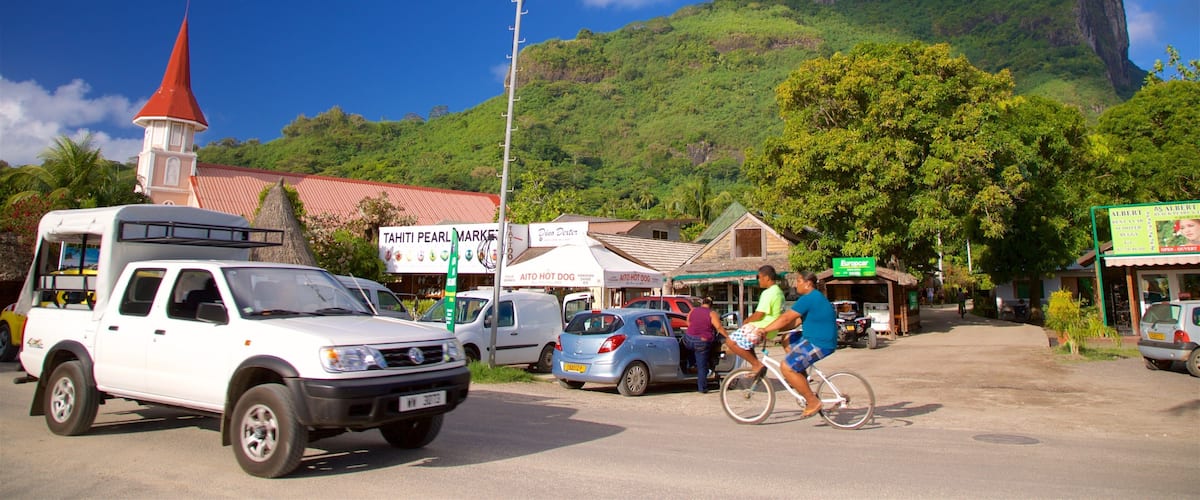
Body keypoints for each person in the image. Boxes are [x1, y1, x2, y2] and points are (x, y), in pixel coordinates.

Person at [749, 271, 837, 418]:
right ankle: (800, 374)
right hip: (814, 336)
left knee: (786, 367)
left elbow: (786, 318)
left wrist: (765, 329)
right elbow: (794, 322)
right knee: (787, 338)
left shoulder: (809, 298)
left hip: (820, 342)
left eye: (798, 281)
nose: (796, 284)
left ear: (808, 283)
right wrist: (774, 332)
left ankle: (812, 401)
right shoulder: (813, 298)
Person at [723, 265, 784, 373]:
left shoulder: (768, 292)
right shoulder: (779, 291)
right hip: (772, 329)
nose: (758, 280)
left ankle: (757, 365)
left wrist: (746, 321)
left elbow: (759, 314)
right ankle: (756, 366)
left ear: (767, 278)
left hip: (761, 327)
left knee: (730, 341)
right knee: (746, 345)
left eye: (759, 277)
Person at [683, 297, 726, 393]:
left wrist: (694, 330)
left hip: (689, 339)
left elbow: (688, 321)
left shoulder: (693, 311)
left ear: (702, 303)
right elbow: (719, 327)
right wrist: (728, 337)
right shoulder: (712, 313)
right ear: (711, 305)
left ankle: (690, 364)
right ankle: (702, 388)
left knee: (687, 347)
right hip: (702, 341)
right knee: (702, 366)